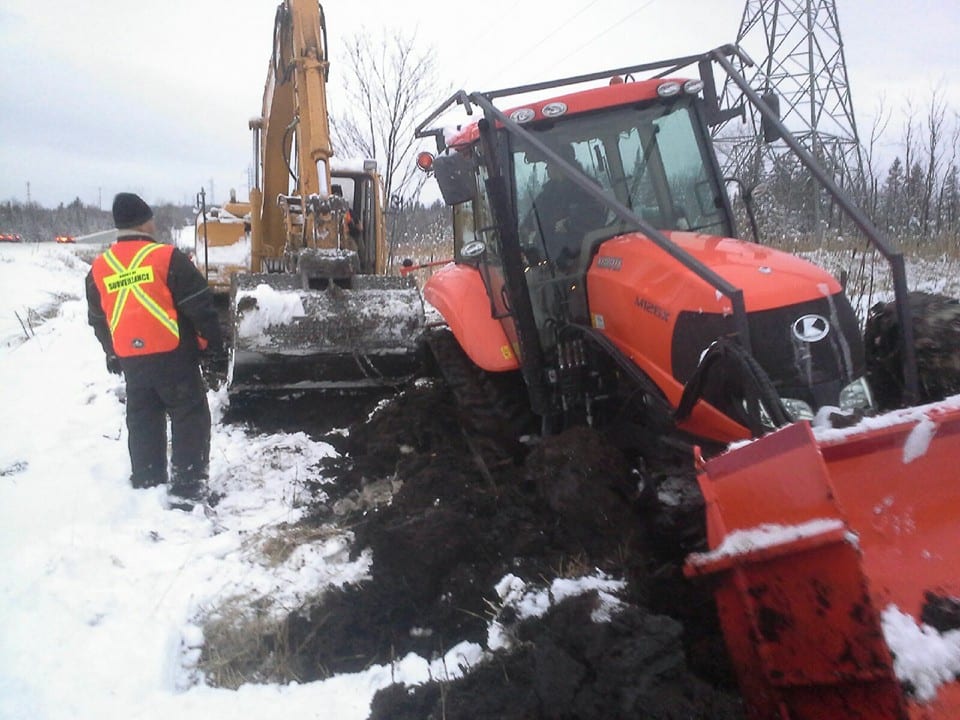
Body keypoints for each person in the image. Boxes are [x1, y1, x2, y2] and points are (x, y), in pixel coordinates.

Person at [85, 192, 224, 509]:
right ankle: (188, 488)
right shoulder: (167, 258)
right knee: (190, 417)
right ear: (146, 222)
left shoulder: (99, 269)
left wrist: (112, 353)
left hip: (133, 363)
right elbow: (201, 308)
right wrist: (211, 345)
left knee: (143, 418)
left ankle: (147, 482)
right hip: (174, 358)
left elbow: (98, 320)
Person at [521, 145, 608, 269]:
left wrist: (569, 224)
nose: (546, 167)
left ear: (560, 164)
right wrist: (525, 228)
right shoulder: (549, 192)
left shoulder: (587, 188)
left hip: (580, 257)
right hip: (550, 259)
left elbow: (596, 215)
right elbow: (535, 213)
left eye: (549, 163)